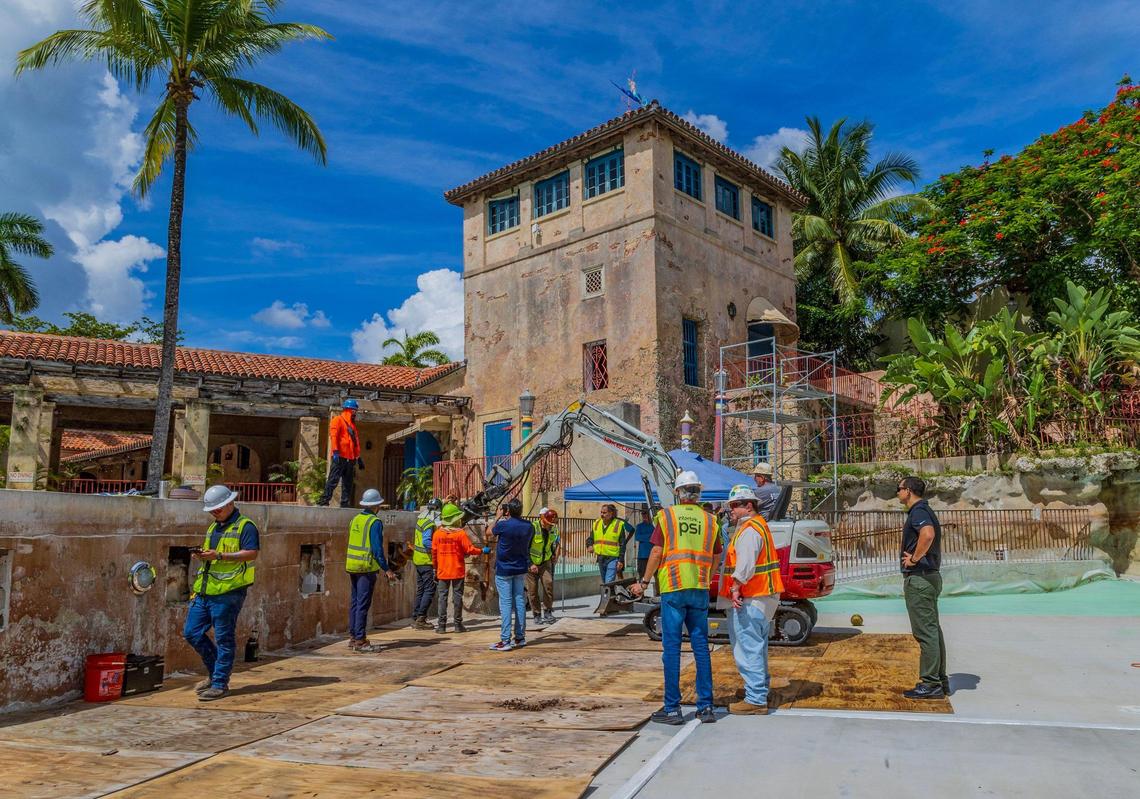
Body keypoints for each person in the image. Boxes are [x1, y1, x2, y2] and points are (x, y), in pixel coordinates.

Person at [630, 471, 719, 725]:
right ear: (698, 492)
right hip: (699, 588)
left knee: (672, 649)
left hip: (673, 588)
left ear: (678, 492)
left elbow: (657, 552)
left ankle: (672, 708)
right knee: (701, 647)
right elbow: (715, 556)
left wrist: (644, 582)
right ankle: (706, 707)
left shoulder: (667, 516)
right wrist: (705, 577)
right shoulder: (711, 520)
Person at [184, 485, 260, 701]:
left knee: (224, 638)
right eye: (211, 510)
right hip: (205, 590)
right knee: (192, 632)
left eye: (217, 509)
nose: (214, 513)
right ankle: (215, 671)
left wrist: (219, 556)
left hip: (229, 591)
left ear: (230, 503)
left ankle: (219, 683)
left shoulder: (246, 526)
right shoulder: (213, 527)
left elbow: (251, 553)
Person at [719, 484, 785, 715]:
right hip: (763, 596)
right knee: (758, 647)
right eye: (730, 506)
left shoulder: (748, 531)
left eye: (735, 505)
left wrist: (735, 587)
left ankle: (755, 699)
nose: (732, 510)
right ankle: (758, 689)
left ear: (749, 505)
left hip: (751, 597)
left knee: (747, 648)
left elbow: (745, 565)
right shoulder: (759, 526)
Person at [897, 476, 950, 699]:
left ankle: (930, 684)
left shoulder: (918, 511)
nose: (897, 493)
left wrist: (914, 559)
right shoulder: (924, 510)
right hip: (929, 578)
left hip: (919, 579)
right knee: (933, 631)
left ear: (908, 491)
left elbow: (927, 534)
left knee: (925, 633)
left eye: (898, 489)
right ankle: (940, 679)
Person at [345, 489, 398, 652]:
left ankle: (354, 637)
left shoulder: (355, 519)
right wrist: (387, 569)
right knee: (362, 604)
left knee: (355, 603)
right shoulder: (374, 522)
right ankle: (360, 640)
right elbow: (377, 550)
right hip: (366, 567)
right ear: (377, 505)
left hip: (352, 565)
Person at [430, 502, 489, 633]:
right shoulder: (460, 534)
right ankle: (457, 625)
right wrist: (482, 551)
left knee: (442, 598)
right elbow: (469, 549)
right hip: (457, 570)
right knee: (457, 598)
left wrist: (435, 568)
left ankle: (441, 626)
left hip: (442, 571)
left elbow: (434, 553)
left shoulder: (437, 534)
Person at [489, 498, 534, 651]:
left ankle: (505, 640)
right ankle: (520, 637)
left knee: (506, 604)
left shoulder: (503, 525)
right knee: (520, 601)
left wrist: (497, 516)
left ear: (508, 511)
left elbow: (489, 532)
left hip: (504, 569)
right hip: (520, 568)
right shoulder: (529, 526)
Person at [318, 398, 365, 507]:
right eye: (354, 411)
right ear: (348, 410)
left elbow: (355, 442)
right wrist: (335, 451)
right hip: (340, 456)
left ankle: (345, 503)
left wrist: (358, 458)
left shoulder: (353, 425)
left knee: (348, 483)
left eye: (355, 411)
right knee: (333, 479)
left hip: (351, 458)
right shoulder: (337, 420)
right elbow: (333, 437)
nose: (355, 413)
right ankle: (324, 500)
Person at [410, 498, 442, 630]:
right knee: (429, 589)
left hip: (418, 559)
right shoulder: (429, 523)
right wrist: (439, 548)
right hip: (426, 560)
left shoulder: (421, 519)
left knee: (421, 589)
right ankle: (421, 619)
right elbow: (426, 541)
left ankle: (416, 616)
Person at [526, 507, 560, 625]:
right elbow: (525, 547)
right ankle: (536, 614)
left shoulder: (553, 529)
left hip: (545, 562)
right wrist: (530, 563)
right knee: (533, 591)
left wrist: (553, 554)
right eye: (549, 523)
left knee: (548, 584)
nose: (551, 526)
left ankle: (548, 611)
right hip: (532, 564)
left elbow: (551, 543)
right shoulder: (533, 527)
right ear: (544, 519)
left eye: (553, 524)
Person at [587, 503, 630, 584]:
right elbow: (590, 538)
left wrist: (621, 560)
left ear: (611, 513)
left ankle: (606, 596)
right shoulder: (596, 523)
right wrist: (589, 545)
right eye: (601, 512)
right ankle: (610, 595)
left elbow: (622, 544)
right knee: (605, 582)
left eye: (604, 513)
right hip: (600, 557)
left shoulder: (619, 524)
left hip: (613, 558)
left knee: (608, 582)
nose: (602, 514)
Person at [633, 507, 656, 594]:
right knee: (641, 576)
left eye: (646, 513)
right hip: (642, 555)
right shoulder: (639, 526)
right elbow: (637, 537)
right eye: (643, 514)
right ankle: (639, 594)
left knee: (657, 576)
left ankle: (658, 593)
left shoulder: (654, 525)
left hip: (653, 555)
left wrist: (647, 537)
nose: (644, 515)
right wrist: (650, 536)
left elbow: (656, 538)